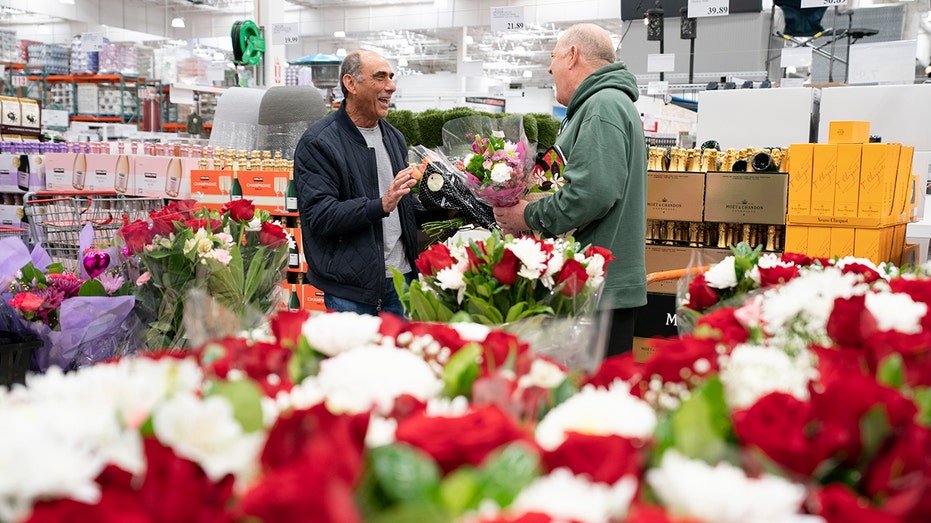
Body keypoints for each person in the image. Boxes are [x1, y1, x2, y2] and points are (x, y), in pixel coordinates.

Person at [493, 23, 647, 358]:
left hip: (597, 289)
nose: (549, 68)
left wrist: (526, 215)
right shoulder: (603, 105)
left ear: (573, 56)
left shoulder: (602, 106)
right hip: (595, 284)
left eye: (553, 57)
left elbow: (592, 194)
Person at [293, 49, 420, 317]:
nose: (391, 86)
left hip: (401, 279)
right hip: (351, 289)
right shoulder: (320, 142)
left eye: (391, 77)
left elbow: (402, 204)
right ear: (350, 84)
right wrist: (380, 204)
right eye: (380, 77)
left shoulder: (393, 137)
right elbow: (320, 216)